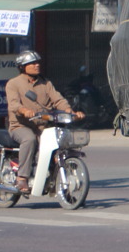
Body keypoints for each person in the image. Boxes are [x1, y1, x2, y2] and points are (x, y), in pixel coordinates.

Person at [6, 51, 81, 196]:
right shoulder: (13, 84)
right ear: (22, 67)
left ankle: (50, 177)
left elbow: (57, 99)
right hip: (21, 126)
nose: (36, 65)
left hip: (43, 126)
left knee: (58, 143)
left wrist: (69, 110)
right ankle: (22, 177)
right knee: (29, 139)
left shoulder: (46, 83)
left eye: (38, 62)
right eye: (32, 63)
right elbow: (13, 104)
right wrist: (24, 110)